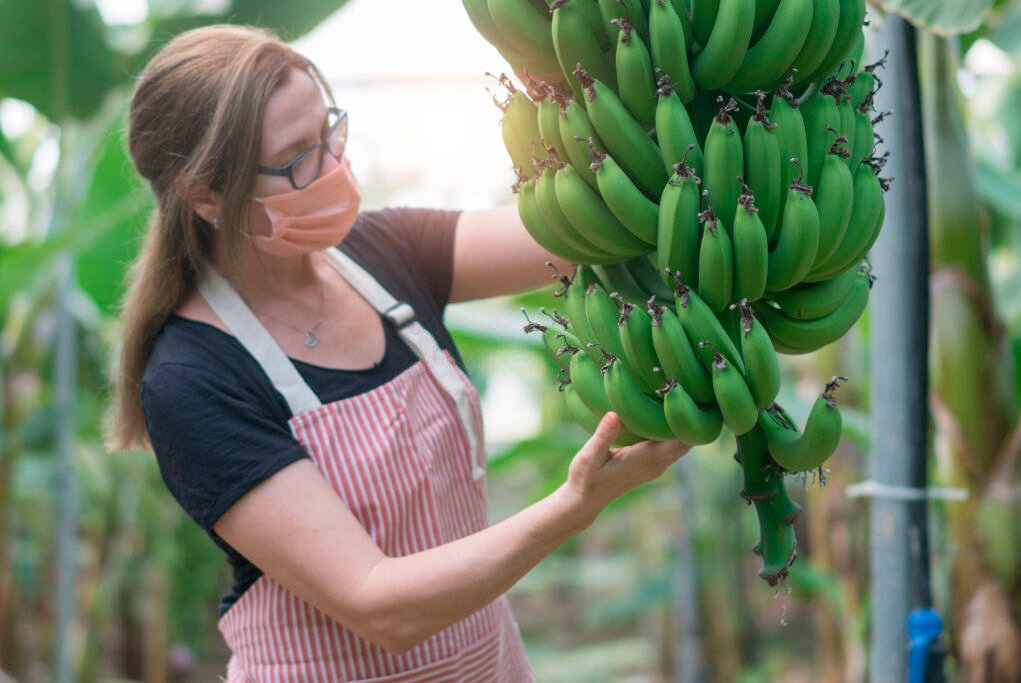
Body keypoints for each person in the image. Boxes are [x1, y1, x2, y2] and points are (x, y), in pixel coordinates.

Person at [105, 23, 691, 682]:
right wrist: (574, 505)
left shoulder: (388, 253)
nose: (333, 167)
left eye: (330, 133)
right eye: (298, 157)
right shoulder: (192, 378)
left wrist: (573, 92)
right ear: (205, 194)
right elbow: (379, 604)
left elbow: (583, 231)